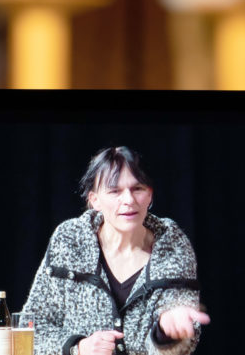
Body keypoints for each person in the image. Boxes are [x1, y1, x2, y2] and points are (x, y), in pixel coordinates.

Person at [22, 147, 210, 355]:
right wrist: (78, 348)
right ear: (94, 200)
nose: (128, 200)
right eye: (114, 191)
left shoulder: (173, 245)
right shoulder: (69, 240)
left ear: (149, 194)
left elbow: (185, 344)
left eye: (137, 188)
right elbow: (31, 329)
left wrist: (165, 333)